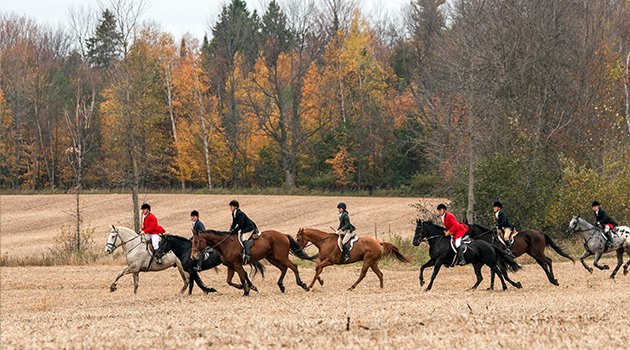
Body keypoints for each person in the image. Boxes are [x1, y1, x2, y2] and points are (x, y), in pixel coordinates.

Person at [228, 200, 258, 264]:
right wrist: (230, 229)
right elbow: (234, 223)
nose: (230, 208)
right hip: (244, 228)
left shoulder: (240, 213)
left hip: (249, 228)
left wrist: (234, 230)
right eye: (230, 206)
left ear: (235, 207)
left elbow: (241, 225)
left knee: (244, 239)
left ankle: (247, 254)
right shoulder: (234, 213)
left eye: (231, 206)